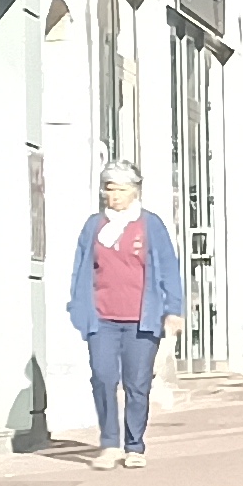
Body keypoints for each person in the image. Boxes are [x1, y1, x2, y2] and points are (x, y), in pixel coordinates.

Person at [68, 163, 186, 468]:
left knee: (137, 384)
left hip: (141, 320)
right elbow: (81, 269)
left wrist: (174, 309)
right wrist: (79, 309)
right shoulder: (94, 226)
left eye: (121, 189)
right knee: (103, 378)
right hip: (102, 318)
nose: (115, 196)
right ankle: (110, 444)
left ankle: (134, 446)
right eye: (110, 189)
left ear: (134, 191)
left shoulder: (150, 225)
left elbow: (169, 268)